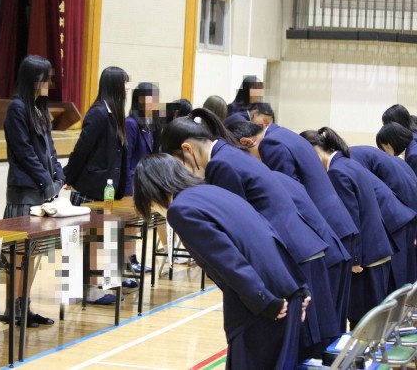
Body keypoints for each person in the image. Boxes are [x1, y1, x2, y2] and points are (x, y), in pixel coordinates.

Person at [160, 108, 336, 358]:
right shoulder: (231, 153)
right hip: (300, 247)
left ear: (187, 149)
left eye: (178, 164)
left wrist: (254, 293)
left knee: (291, 351)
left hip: (290, 254)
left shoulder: (221, 164)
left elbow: (238, 230)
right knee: (304, 348)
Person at [133, 153, 309, 370]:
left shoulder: (181, 210)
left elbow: (229, 262)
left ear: (150, 189)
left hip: (264, 303)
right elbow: (268, 232)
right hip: (287, 287)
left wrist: (263, 300)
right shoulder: (213, 191)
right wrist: (300, 286)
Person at [227, 120, 352, 339]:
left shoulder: (271, 145)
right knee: (331, 330)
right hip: (330, 235)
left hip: (313, 241)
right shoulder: (285, 135)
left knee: (316, 334)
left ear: (246, 143)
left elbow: (282, 204)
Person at [300, 127, 393, 328]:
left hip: (364, 258)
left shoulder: (336, 172)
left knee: (364, 323)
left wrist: (354, 259)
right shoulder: (349, 163)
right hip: (377, 249)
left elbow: (350, 219)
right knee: (374, 321)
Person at [2, 55, 62, 327]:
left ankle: (24, 306)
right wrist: (46, 181)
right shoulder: (17, 108)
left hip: (40, 194)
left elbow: (50, 150)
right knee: (18, 256)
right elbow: (24, 152)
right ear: (32, 80)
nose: (49, 83)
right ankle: (13, 308)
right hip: (24, 193)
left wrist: (59, 174)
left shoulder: (40, 109)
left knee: (33, 256)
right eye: (44, 78)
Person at [64, 66, 131, 303]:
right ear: (115, 84)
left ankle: (94, 285)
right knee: (90, 239)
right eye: (125, 82)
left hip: (106, 190)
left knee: (101, 237)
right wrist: (68, 178)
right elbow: (81, 149)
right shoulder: (99, 113)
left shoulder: (114, 113)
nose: (127, 87)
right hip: (91, 187)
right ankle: (88, 288)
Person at [350, 145, 417, 289]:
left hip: (394, 218)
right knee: (408, 277)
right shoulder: (359, 156)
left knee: (399, 280)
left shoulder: (344, 166)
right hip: (404, 213)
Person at [124, 82, 160, 272]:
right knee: (129, 224)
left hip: (144, 183)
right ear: (140, 99)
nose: (155, 102)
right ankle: (128, 261)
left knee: (137, 224)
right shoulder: (131, 123)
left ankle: (132, 259)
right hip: (132, 183)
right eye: (151, 98)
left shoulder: (149, 124)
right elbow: (127, 157)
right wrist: (129, 187)